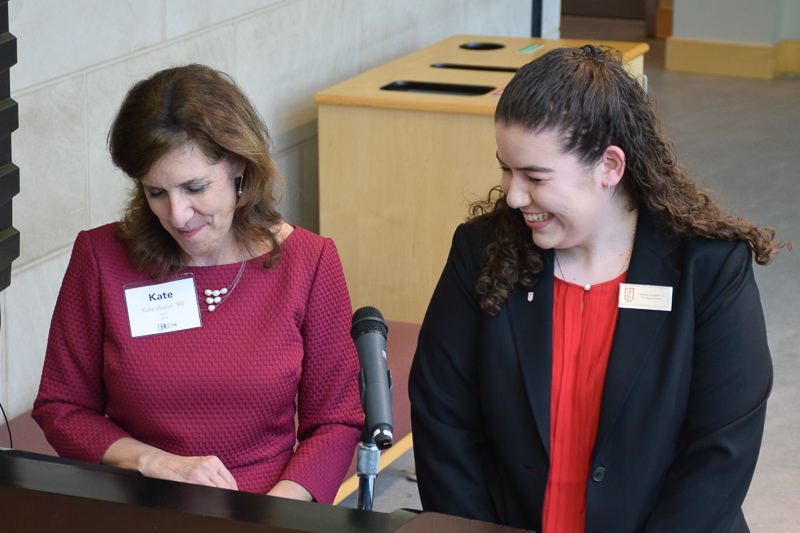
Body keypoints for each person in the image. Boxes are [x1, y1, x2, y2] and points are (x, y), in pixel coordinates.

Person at [409, 45, 788, 533]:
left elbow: (720, 452)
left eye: (535, 176)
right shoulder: (480, 251)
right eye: (506, 168)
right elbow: (443, 421)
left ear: (610, 166)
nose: (513, 194)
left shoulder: (711, 267)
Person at [32, 64, 363, 504]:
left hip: (267, 506)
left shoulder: (310, 263)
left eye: (195, 187)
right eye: (156, 193)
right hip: (137, 501)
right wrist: (151, 461)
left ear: (239, 166)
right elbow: (62, 407)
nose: (178, 214)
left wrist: (273, 513)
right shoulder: (100, 258)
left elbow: (335, 422)